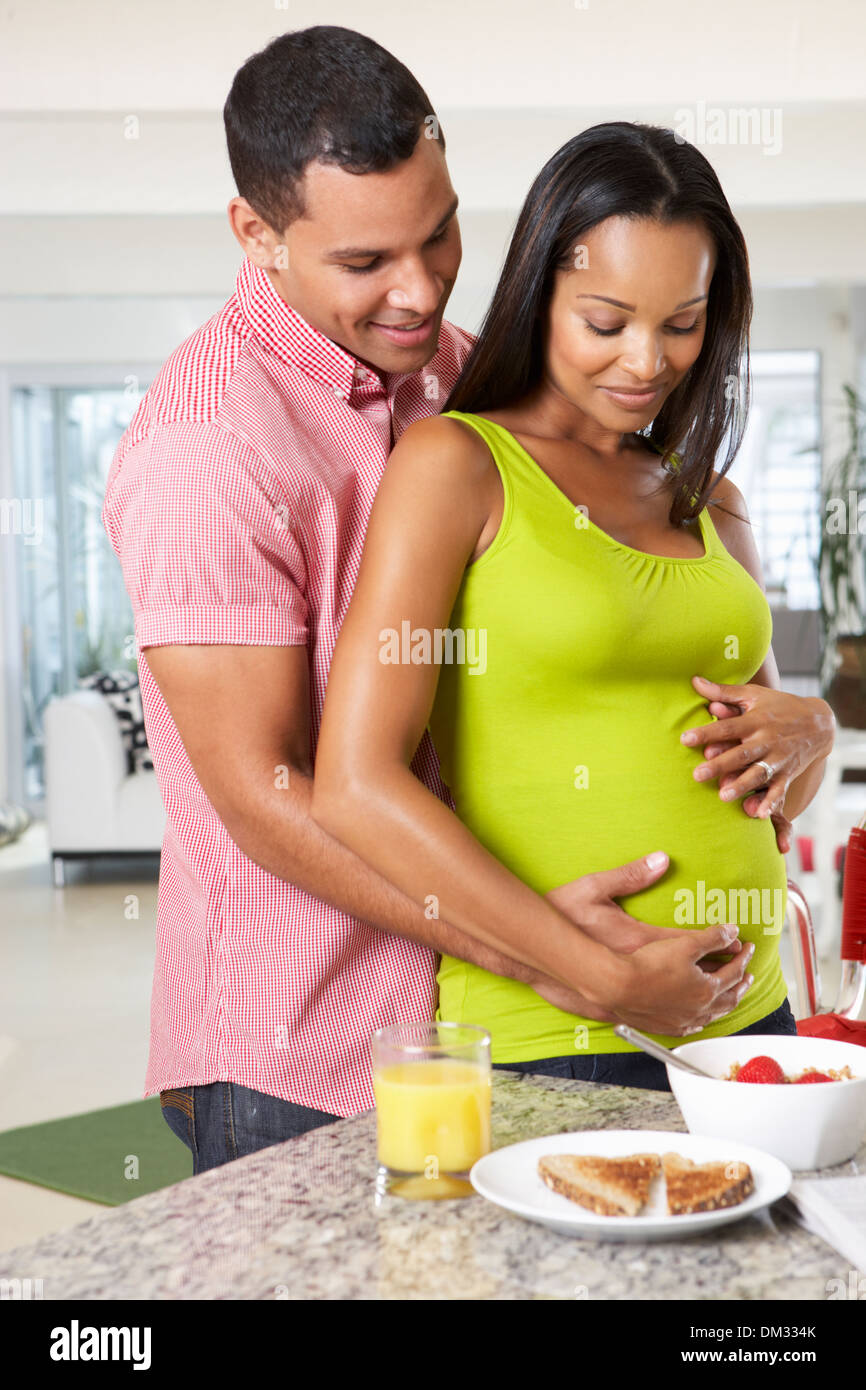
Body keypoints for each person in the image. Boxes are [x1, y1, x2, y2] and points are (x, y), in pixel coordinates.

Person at [101, 29, 762, 1173]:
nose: (417, 289)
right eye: (365, 262)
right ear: (255, 233)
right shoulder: (204, 445)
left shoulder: (462, 372)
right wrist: (557, 957)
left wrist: (785, 718)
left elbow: (653, 560)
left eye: (440, 231)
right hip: (298, 1046)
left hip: (496, 1019)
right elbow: (271, 795)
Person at [310, 121, 836, 1090]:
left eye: (681, 322)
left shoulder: (706, 495)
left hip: (754, 1022)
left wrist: (813, 730)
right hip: (562, 1036)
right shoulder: (457, 468)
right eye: (606, 321)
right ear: (539, 293)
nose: (646, 361)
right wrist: (596, 975)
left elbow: (769, 790)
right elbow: (353, 781)